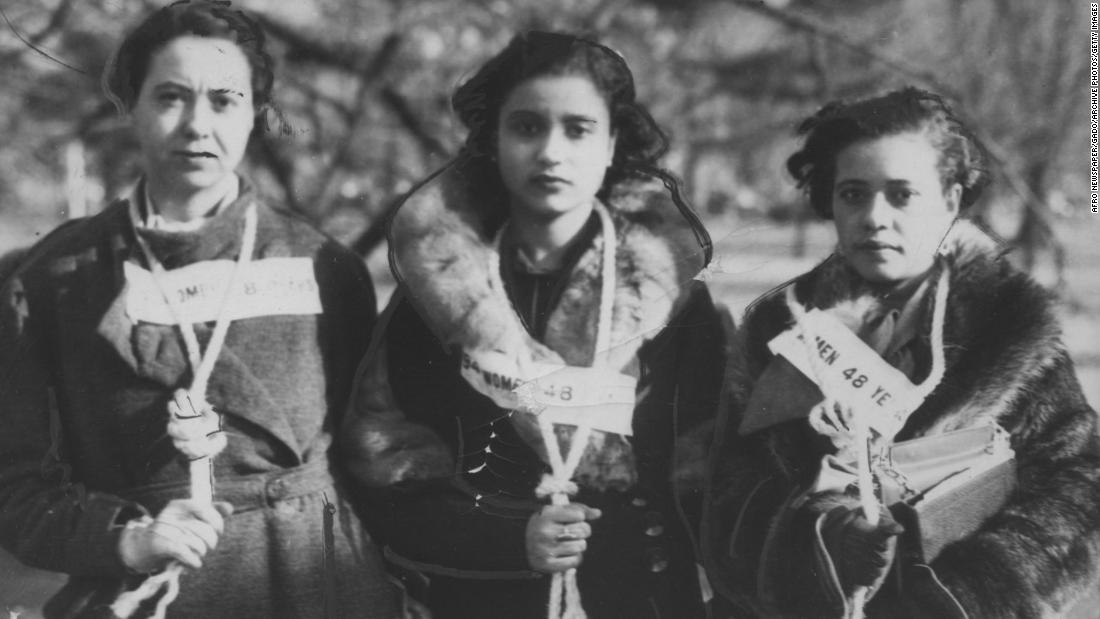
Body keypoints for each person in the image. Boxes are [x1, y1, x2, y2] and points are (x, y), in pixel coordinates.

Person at [0, 2, 400, 617]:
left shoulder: (325, 267)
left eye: (224, 99)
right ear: (128, 106)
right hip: (152, 590)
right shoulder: (55, 279)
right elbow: (18, 493)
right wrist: (127, 541)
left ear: (254, 114)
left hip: (317, 586)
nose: (196, 124)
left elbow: (372, 455)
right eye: (170, 97)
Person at [341, 30, 728, 619]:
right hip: (486, 597)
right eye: (527, 127)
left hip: (641, 598)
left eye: (578, 129)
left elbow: (717, 479)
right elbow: (387, 471)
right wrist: (507, 536)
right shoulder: (433, 305)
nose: (551, 152)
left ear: (611, 145)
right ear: (492, 142)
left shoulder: (679, 311)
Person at [702, 86, 1100, 618]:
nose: (874, 216)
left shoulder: (1010, 326)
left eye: (902, 194)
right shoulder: (779, 325)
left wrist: (975, 585)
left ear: (951, 200)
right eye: (853, 194)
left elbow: (1079, 484)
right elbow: (728, 496)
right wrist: (821, 540)